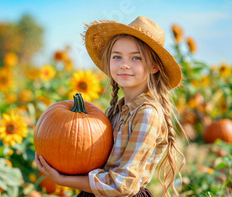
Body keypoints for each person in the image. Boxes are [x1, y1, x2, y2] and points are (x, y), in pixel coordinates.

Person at [36, 16, 185, 196]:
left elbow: (123, 185)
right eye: (117, 57)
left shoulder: (147, 113)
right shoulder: (116, 110)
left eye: (136, 58)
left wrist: (63, 180)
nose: (124, 65)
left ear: (154, 66)